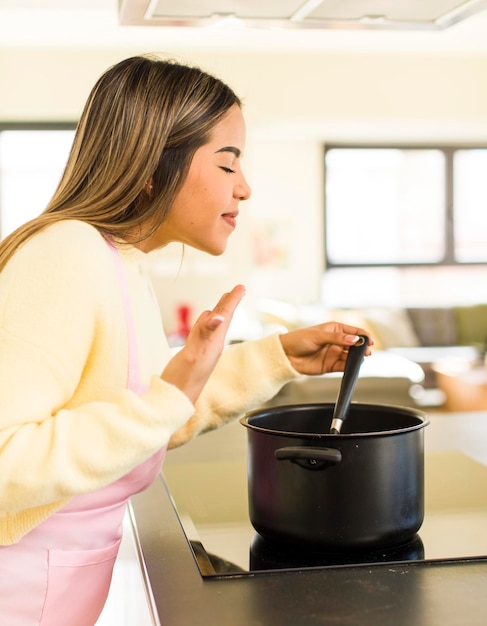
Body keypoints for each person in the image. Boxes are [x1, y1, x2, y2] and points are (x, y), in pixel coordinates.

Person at [0, 54, 372, 625]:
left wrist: (277, 358)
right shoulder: (65, 253)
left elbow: (150, 413)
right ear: (154, 164)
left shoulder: (120, 261)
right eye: (228, 165)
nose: (245, 188)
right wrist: (165, 400)